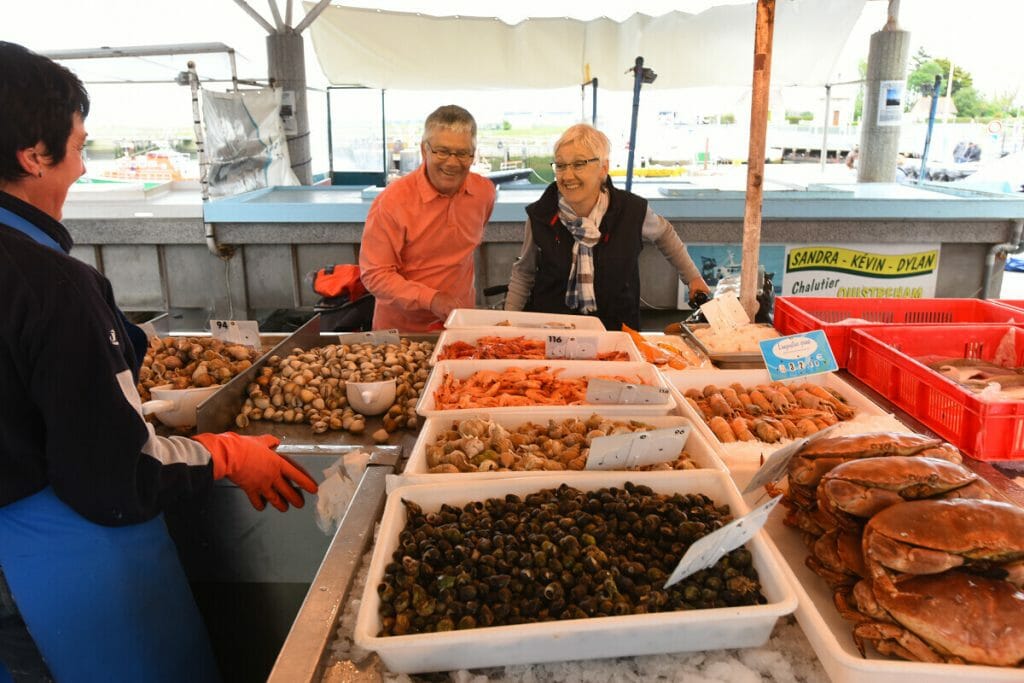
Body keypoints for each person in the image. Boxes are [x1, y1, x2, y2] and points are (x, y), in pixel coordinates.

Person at [0, 42, 318, 683]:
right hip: (50, 578)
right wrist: (228, 452)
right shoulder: (51, 286)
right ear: (35, 155)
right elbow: (114, 474)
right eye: (80, 147)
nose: (82, 169)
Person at [504, 123, 710, 330]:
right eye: (560, 165)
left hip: (617, 331)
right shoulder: (541, 214)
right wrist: (508, 324)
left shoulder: (631, 210)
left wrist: (693, 278)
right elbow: (524, 273)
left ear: (603, 168)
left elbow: (665, 234)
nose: (567, 176)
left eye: (578, 164)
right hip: (552, 333)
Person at [359, 105, 496, 331]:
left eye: (462, 153)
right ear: (424, 151)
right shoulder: (392, 202)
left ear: (473, 154)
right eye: (442, 151)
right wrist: (432, 299)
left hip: (459, 326)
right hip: (401, 333)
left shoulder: (484, 193)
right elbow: (375, 275)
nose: (452, 162)